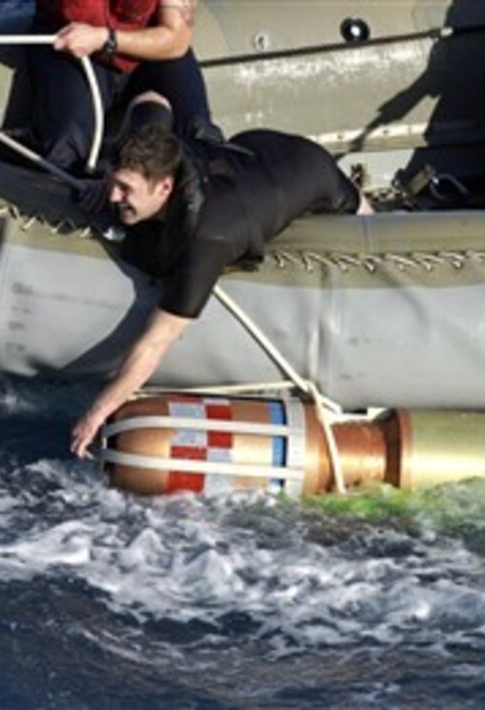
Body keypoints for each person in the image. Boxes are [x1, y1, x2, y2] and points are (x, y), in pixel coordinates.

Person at [68, 97, 373, 458]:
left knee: (367, 218)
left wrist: (95, 414)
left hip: (308, 170)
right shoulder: (151, 149)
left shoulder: (210, 236)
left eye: (125, 189)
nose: (114, 195)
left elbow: (156, 341)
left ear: (164, 188)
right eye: (113, 183)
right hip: (248, 150)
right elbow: (154, 100)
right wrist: (101, 184)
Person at [0, 0, 214, 173]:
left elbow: (176, 38)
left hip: (147, 51)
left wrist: (106, 39)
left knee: (197, 131)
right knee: (64, 144)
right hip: (67, 43)